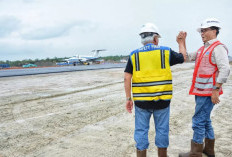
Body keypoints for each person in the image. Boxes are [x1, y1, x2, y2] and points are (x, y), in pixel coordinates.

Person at [124, 23, 187, 157]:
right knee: (162, 130)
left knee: (141, 130)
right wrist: (181, 42)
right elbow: (183, 57)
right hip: (162, 101)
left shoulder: (134, 55)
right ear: (156, 38)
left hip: (141, 102)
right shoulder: (165, 51)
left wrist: (128, 98)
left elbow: (127, 77)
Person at [179, 18, 230, 157]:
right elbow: (186, 57)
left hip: (208, 92)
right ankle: (208, 150)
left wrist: (216, 90)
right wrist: (182, 42)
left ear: (214, 31)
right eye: (201, 31)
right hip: (201, 91)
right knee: (205, 119)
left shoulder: (218, 47)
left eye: (205, 30)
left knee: (198, 120)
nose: (202, 33)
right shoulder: (203, 49)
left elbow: (225, 69)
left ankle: (195, 153)